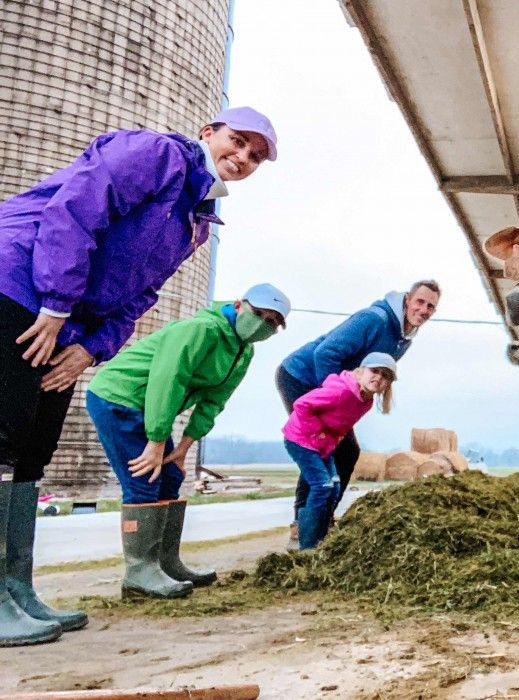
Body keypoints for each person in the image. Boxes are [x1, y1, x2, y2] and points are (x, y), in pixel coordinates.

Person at [0, 108, 278, 646]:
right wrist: (57, 304)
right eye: (238, 142)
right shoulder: (155, 156)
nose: (243, 157)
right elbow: (75, 211)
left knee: (34, 448)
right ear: (209, 133)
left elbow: (138, 296)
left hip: (67, 321)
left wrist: (89, 349)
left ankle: (17, 591)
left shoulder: (196, 220)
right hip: (17, 287)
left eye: (255, 156)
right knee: (3, 437)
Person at [86, 284, 290, 600]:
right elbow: (168, 380)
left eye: (272, 321)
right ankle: (139, 574)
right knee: (145, 477)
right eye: (259, 313)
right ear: (238, 305)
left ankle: (166, 564)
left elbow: (213, 400)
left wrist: (182, 449)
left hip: (148, 407)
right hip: (120, 397)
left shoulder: (242, 351)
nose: (263, 323)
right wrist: (156, 441)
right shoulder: (200, 329)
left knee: (171, 476)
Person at [276, 280, 439, 549]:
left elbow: (378, 371)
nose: (424, 309)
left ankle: (322, 519)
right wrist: (335, 398)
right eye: (420, 301)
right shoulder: (374, 319)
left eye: (431, 306)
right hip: (302, 376)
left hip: (340, 390)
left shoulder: (404, 339)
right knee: (316, 446)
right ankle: (302, 525)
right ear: (407, 299)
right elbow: (324, 353)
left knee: (347, 451)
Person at [283, 352, 396, 549]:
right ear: (360, 371)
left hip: (321, 445)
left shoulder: (365, 401)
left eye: (385, 375)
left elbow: (341, 423)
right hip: (300, 440)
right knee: (322, 486)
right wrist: (317, 433)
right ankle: (307, 545)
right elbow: (301, 405)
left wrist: (333, 438)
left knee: (334, 486)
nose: (378, 377)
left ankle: (321, 535)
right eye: (374, 371)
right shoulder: (341, 391)